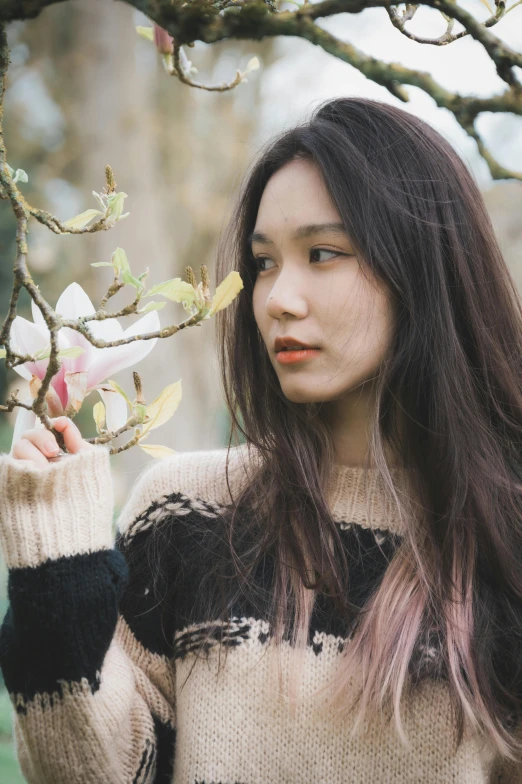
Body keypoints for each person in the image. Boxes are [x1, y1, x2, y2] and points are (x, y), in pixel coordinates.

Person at [0, 95, 521, 784]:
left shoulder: (503, 543)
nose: (277, 298)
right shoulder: (186, 512)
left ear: (421, 269)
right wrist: (57, 559)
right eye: (265, 262)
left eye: (323, 253)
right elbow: (96, 772)